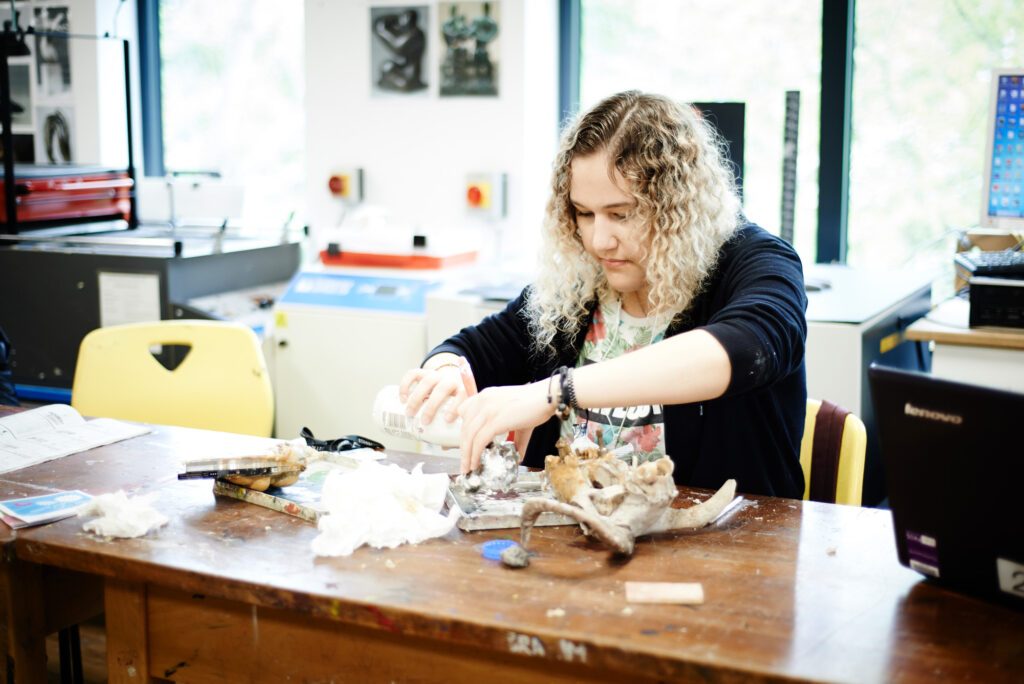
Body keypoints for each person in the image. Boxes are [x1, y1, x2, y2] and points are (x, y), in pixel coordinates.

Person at [399, 90, 807, 498]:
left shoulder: (755, 260)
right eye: (583, 213)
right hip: (575, 543)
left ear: (679, 205)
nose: (599, 240)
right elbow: (473, 347)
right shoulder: (580, 285)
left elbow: (748, 347)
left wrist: (555, 393)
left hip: (725, 551)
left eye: (621, 214)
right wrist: (446, 373)